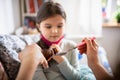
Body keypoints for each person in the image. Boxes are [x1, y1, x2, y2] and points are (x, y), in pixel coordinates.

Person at [16, 1, 112, 80]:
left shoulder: (70, 46)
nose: (54, 31)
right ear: (38, 27)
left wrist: (61, 60)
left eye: (60, 26)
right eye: (48, 26)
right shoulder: (36, 52)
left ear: (65, 24)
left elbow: (76, 78)